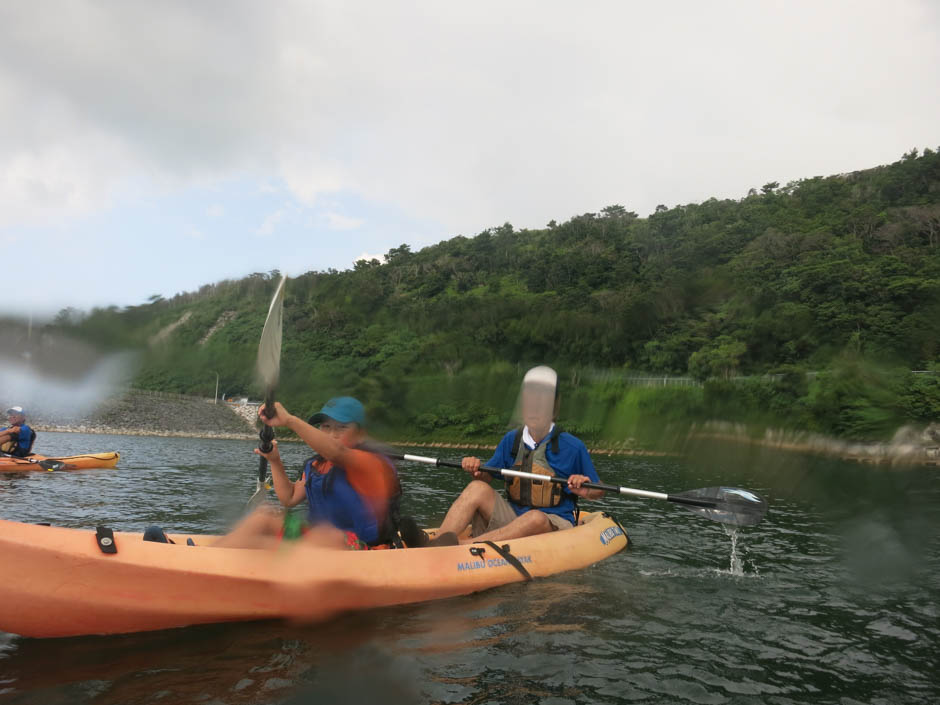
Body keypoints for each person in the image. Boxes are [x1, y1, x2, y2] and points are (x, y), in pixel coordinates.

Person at [402, 366, 603, 547]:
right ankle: (437, 542)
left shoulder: (573, 447)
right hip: (513, 520)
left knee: (535, 518)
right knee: (476, 488)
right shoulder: (511, 441)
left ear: (553, 409)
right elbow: (487, 476)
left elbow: (598, 490)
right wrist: (475, 468)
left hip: (553, 524)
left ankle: (461, 547)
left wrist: (587, 488)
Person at [210, 396, 403, 551]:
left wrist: (289, 420)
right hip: (320, 543)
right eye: (326, 427)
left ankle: (251, 556)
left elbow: (336, 451)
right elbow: (290, 497)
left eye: (341, 427)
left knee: (326, 536)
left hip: (363, 549)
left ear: (360, 434)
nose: (331, 434)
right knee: (264, 516)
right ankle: (209, 559)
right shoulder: (317, 465)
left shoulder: (370, 462)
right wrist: (275, 461)